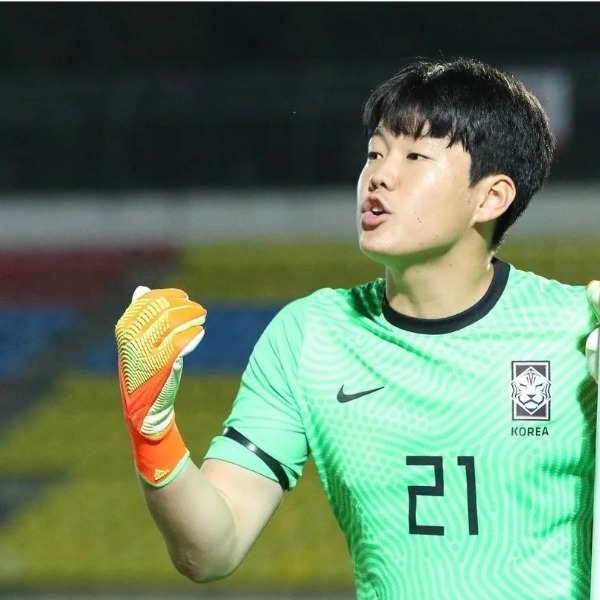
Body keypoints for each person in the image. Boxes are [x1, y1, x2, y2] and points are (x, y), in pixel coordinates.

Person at [115, 58, 600, 599]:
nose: (379, 176)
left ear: (491, 197)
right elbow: (210, 551)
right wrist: (153, 431)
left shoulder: (582, 331)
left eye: (415, 156)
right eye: (375, 152)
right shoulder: (310, 337)